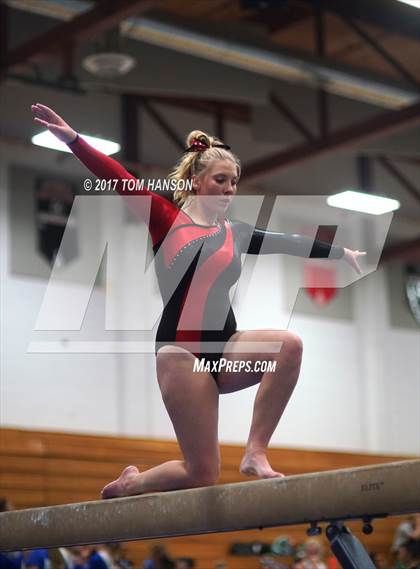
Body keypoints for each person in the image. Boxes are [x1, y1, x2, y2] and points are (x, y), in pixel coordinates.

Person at [31, 103, 366, 498]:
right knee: (202, 474)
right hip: (181, 354)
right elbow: (119, 178)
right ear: (194, 182)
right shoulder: (166, 219)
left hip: (225, 347)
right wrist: (74, 140)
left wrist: (340, 253)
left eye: (234, 182)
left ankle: (255, 451)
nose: (229, 189)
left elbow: (286, 242)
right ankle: (132, 484)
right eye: (221, 180)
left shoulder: (235, 232)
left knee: (288, 346)